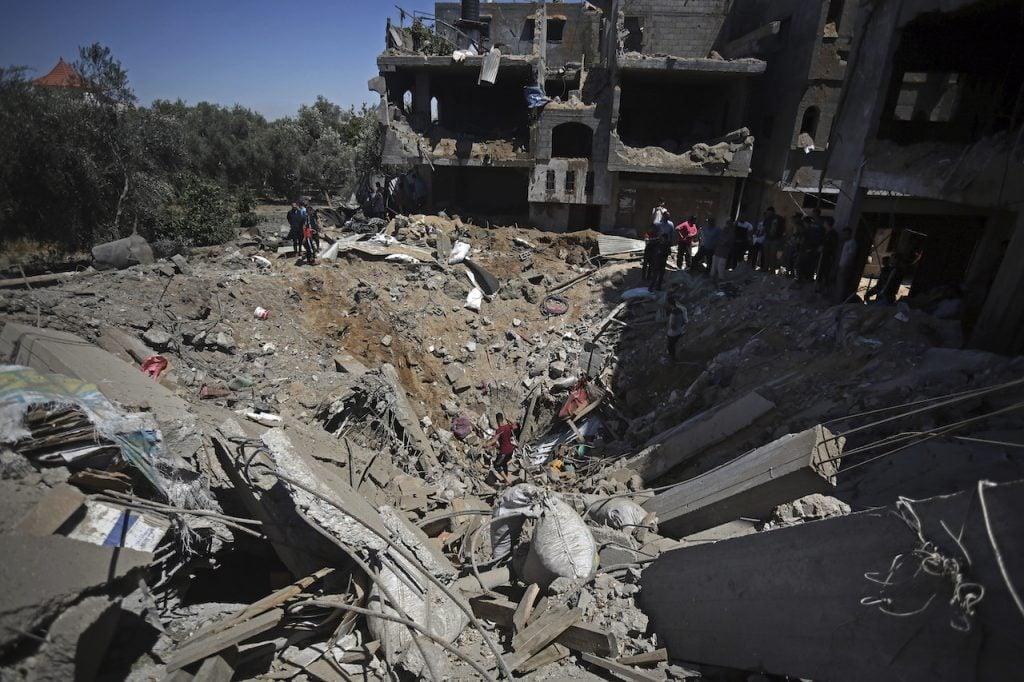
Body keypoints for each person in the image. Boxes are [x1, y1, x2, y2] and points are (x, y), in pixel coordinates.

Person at [490, 412, 519, 479]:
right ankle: (507, 477)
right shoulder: (508, 426)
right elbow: (516, 426)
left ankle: (508, 481)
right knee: (504, 463)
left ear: (497, 420)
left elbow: (494, 441)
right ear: (503, 419)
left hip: (504, 451)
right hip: (511, 450)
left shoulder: (499, 430)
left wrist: (487, 445)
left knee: (496, 465)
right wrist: (509, 421)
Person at [834, 227, 858, 302]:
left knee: (842, 284)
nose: (844, 236)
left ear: (849, 234)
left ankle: (839, 301)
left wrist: (845, 266)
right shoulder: (846, 243)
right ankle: (837, 299)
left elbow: (850, 256)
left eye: (845, 234)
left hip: (846, 266)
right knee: (839, 283)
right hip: (842, 265)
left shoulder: (852, 243)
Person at [816, 217, 838, 294]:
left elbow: (833, 245)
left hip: (828, 256)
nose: (824, 224)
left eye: (825, 223)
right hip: (823, 255)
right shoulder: (826, 232)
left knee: (826, 272)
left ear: (827, 223)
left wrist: (824, 248)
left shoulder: (833, 233)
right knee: (820, 271)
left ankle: (825, 289)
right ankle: (819, 288)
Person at [800, 214, 825, 283]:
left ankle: (803, 278)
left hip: (807, 249)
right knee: (811, 265)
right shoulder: (818, 229)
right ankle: (809, 278)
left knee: (803, 265)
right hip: (814, 250)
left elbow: (804, 240)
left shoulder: (809, 230)